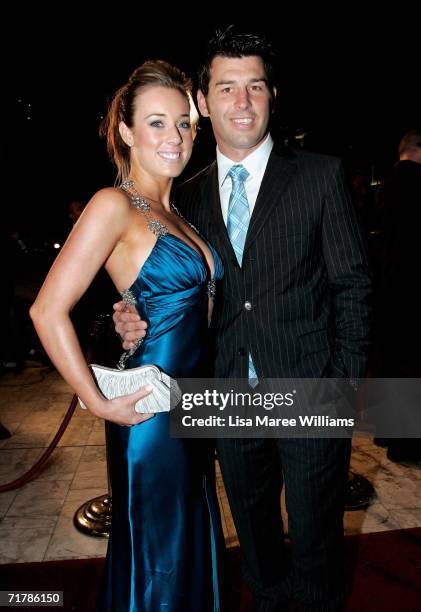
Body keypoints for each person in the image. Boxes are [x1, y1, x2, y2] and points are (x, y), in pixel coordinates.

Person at [115, 27, 372, 611]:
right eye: (226, 88)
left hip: (310, 390)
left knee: (316, 544)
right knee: (256, 547)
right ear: (203, 103)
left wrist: (344, 384)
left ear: (271, 95)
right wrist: (136, 313)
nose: (243, 102)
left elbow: (353, 286)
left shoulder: (319, 176)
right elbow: (173, 286)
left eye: (255, 86)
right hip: (227, 398)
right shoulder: (188, 197)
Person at [30, 59, 223, 611]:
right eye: (157, 122)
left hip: (194, 408)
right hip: (152, 416)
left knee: (188, 536)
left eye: (184, 122)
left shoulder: (175, 210)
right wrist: (96, 402)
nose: (176, 136)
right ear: (126, 132)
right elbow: (47, 311)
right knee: (160, 552)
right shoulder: (112, 205)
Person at [375, 130, 421, 462]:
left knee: (390, 361)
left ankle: (388, 433)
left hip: (386, 286)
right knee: (411, 363)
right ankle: (406, 444)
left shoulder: (383, 184)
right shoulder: (418, 184)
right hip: (413, 286)